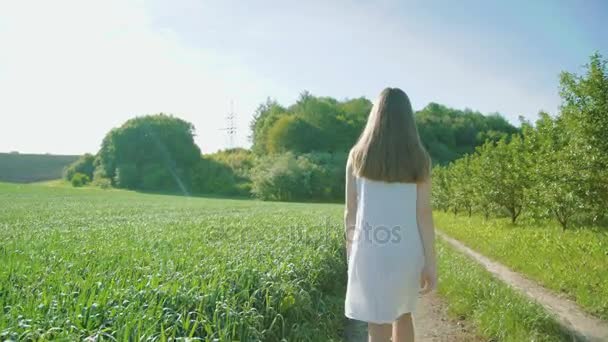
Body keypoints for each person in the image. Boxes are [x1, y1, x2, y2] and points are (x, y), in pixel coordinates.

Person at [344, 87, 437, 342]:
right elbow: (424, 214)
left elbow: (350, 211)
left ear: (375, 114)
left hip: (370, 248)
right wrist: (431, 262)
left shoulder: (357, 156)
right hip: (406, 251)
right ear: (408, 118)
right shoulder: (419, 158)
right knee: (403, 314)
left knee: (378, 320)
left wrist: (350, 253)